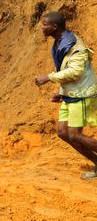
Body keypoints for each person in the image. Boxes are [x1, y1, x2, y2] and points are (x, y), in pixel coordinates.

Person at [34, 12, 97, 180]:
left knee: (75, 134)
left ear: (54, 27)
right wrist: (61, 92)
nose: (42, 27)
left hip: (82, 95)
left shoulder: (74, 46)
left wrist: (48, 77)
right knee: (63, 133)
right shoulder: (60, 42)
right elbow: (66, 70)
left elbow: (75, 72)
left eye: (45, 25)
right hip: (71, 94)